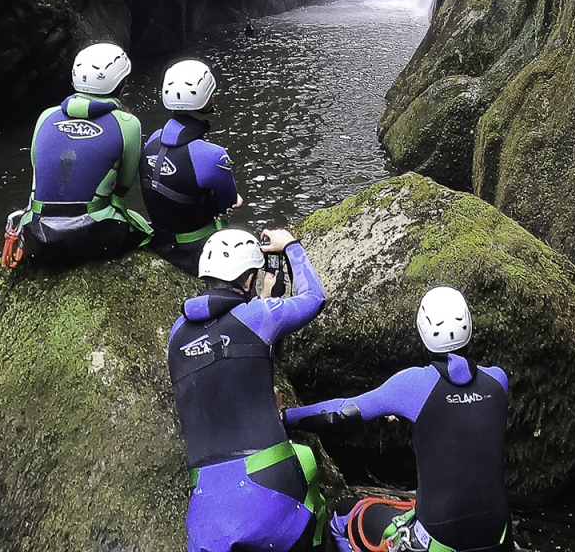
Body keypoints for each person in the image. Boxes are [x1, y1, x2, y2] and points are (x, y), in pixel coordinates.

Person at [285, 287, 511, 552]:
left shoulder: (412, 385)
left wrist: (285, 416)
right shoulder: (498, 380)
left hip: (438, 543)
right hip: (498, 538)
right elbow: (459, 418)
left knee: (344, 514)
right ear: (469, 326)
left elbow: (342, 412)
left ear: (422, 330)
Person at [171, 227, 327, 552]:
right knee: (307, 461)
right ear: (248, 279)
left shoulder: (176, 335)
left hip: (206, 517)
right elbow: (314, 298)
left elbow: (221, 365)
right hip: (270, 493)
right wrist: (292, 246)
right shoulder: (259, 316)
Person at [10, 42, 152, 266]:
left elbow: (38, 168)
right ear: (121, 82)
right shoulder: (128, 124)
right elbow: (124, 185)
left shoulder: (46, 116)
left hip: (37, 236)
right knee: (146, 231)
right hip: (92, 237)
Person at [142, 59, 244, 272]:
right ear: (210, 99)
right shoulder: (213, 155)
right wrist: (232, 201)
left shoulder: (152, 139)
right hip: (194, 250)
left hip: (159, 240)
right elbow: (227, 203)